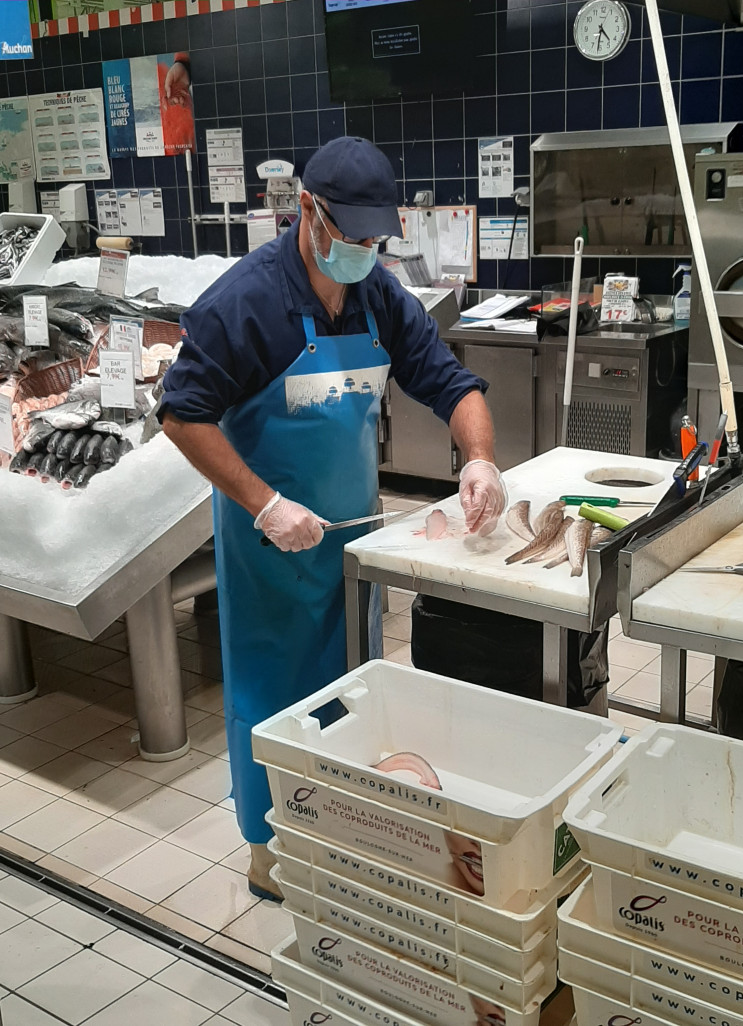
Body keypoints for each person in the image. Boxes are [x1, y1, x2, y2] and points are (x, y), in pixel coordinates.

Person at [159, 136, 507, 899]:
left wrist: (479, 457)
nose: (362, 250)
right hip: (271, 545)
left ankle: (341, 837)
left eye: (374, 239)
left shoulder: (380, 296)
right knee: (274, 693)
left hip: (351, 539)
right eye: (349, 234)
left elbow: (453, 385)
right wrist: (267, 505)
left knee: (351, 688)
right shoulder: (244, 303)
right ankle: (270, 852)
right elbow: (182, 416)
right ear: (307, 212)